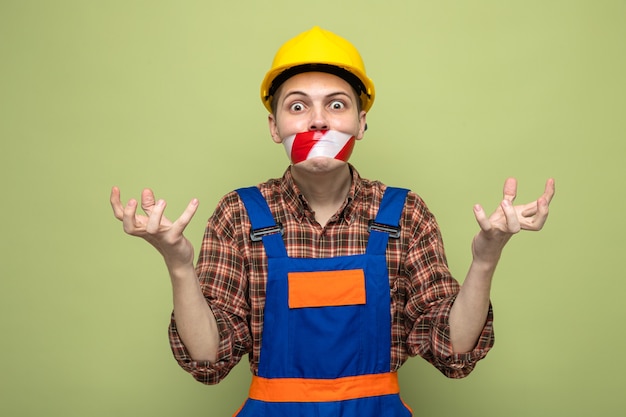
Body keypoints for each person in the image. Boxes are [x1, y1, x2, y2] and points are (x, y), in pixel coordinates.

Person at [110, 26, 555, 417]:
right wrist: (178, 265)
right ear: (274, 126)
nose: (318, 121)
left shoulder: (405, 214)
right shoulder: (239, 213)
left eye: (337, 105)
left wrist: (485, 259)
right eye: (298, 107)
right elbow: (209, 360)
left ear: (361, 123)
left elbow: (453, 352)